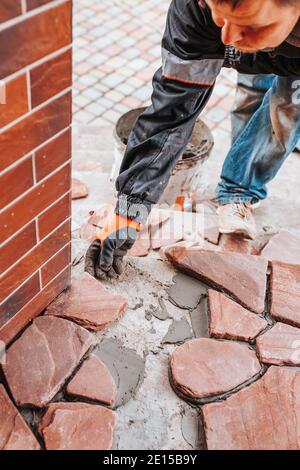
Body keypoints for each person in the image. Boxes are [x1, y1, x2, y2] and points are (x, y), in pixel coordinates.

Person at [85, 0, 300, 280]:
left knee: (288, 106)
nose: (228, 39)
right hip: (269, 38)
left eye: (249, 25)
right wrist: (128, 211)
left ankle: (241, 189)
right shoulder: (195, 9)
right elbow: (172, 112)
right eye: (221, 18)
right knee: (250, 89)